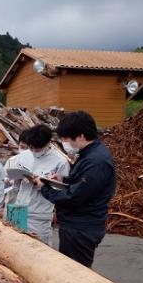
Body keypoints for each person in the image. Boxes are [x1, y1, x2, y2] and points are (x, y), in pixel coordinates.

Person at [33, 111, 116, 267]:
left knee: (75, 274)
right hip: (76, 225)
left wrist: (44, 188)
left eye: (65, 139)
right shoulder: (89, 154)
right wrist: (63, 179)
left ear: (81, 136)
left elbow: (73, 197)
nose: (64, 144)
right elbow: (83, 183)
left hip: (81, 228)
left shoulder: (96, 161)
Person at [11, 125, 70, 245]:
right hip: (18, 209)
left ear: (48, 143)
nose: (33, 151)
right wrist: (15, 178)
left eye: (37, 149)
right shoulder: (24, 156)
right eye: (31, 148)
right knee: (15, 246)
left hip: (39, 214)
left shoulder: (60, 161)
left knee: (38, 249)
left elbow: (63, 190)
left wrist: (43, 183)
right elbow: (14, 183)